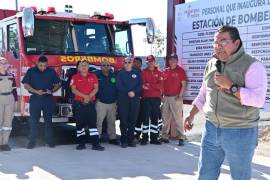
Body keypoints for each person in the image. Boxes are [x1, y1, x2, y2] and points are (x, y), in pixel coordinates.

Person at [184, 26, 267, 180]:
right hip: (211, 129)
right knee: (205, 175)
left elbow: (258, 100)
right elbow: (204, 93)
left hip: (240, 131)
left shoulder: (253, 66)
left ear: (236, 43)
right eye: (215, 43)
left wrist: (231, 86)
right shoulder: (211, 64)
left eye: (223, 42)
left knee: (240, 177)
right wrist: (191, 115)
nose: (218, 46)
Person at [22, 56, 61, 149]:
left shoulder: (51, 71)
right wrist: (36, 91)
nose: (43, 67)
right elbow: (26, 85)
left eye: (44, 65)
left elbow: (58, 84)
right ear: (37, 63)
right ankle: (32, 142)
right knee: (34, 122)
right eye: (40, 65)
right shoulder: (31, 71)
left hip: (48, 99)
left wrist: (51, 91)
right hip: (35, 98)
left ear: (47, 64)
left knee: (48, 121)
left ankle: (49, 141)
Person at [70, 60, 105, 151]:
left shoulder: (93, 76)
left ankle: (95, 144)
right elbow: (73, 90)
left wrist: (89, 96)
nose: (84, 67)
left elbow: (96, 88)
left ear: (88, 67)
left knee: (93, 125)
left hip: (90, 104)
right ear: (78, 68)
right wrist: (84, 96)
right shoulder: (75, 77)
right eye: (82, 65)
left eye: (86, 65)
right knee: (79, 125)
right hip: (79, 105)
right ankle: (81, 143)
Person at [116, 57, 142, 148]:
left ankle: (130, 140)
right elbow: (118, 85)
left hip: (135, 99)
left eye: (129, 62)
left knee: (132, 120)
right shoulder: (120, 74)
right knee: (123, 120)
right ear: (123, 64)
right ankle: (123, 140)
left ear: (132, 63)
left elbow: (140, 85)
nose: (127, 64)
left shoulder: (137, 73)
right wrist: (128, 91)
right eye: (125, 62)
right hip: (123, 99)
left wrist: (134, 92)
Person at [161, 53, 187, 146]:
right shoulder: (165, 71)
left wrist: (180, 96)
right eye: (171, 59)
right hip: (166, 98)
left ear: (177, 60)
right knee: (165, 118)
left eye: (174, 59)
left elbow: (183, 84)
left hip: (176, 97)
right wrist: (161, 96)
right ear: (169, 61)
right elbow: (162, 85)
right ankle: (164, 136)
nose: (172, 61)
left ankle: (181, 137)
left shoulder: (180, 71)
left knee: (178, 118)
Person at [140, 55, 163, 145]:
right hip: (146, 98)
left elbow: (160, 86)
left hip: (156, 99)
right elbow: (143, 86)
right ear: (147, 63)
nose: (150, 63)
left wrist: (149, 85)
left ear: (154, 62)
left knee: (154, 119)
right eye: (148, 62)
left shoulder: (159, 72)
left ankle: (154, 138)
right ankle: (144, 138)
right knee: (145, 119)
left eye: (152, 61)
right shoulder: (143, 72)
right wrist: (154, 85)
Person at [95, 61, 119, 145]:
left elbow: (117, 88)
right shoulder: (96, 75)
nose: (106, 67)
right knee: (99, 122)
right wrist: (96, 99)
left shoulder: (114, 76)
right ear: (101, 67)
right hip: (101, 103)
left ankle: (112, 138)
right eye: (104, 65)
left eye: (108, 65)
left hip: (112, 103)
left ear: (110, 67)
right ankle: (97, 138)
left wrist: (116, 100)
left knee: (112, 122)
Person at [0, 57, 17, 151]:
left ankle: (5, 143)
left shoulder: (11, 75)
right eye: (2, 63)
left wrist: (16, 101)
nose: (4, 65)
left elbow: (14, 90)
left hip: (10, 98)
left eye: (6, 63)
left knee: (8, 122)